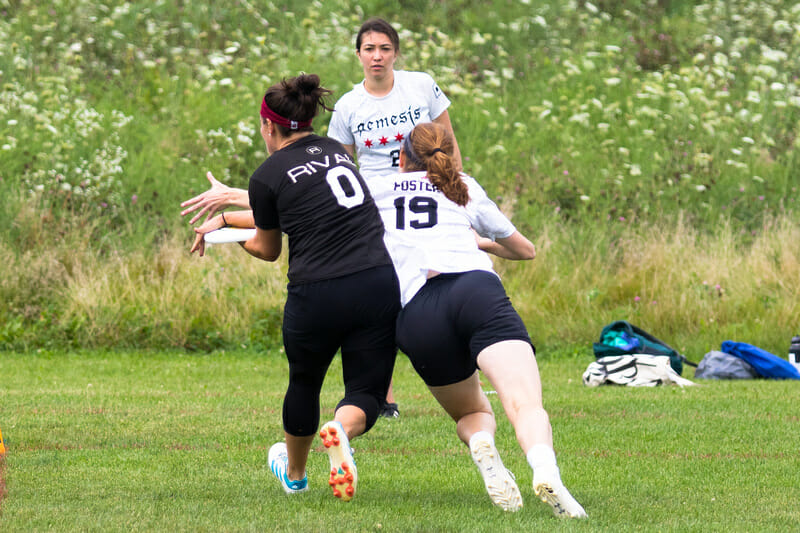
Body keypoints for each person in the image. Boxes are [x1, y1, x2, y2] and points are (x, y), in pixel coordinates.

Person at [183, 74, 401, 502]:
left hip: (316, 293)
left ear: (269, 127)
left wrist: (228, 235)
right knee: (367, 392)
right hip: (376, 281)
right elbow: (302, 208)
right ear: (303, 119)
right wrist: (227, 218)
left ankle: (296, 476)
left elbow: (267, 247)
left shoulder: (266, 175)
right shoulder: (336, 153)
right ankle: (341, 430)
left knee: (304, 384)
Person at [367, 122, 587, 518]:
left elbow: (305, 201)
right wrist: (482, 242)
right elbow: (525, 250)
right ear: (447, 154)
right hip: (475, 291)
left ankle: (482, 444)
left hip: (417, 312)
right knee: (524, 404)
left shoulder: (377, 188)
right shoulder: (462, 185)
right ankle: (546, 471)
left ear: (400, 159)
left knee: (472, 413)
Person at [328, 16, 464, 417]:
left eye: (384, 48)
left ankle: (456, 378)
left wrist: (457, 195)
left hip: (427, 198)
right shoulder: (349, 105)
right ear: (358, 55)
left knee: (440, 282)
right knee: (384, 295)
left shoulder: (420, 85)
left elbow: (449, 144)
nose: (377, 56)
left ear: (396, 53)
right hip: (378, 212)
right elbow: (341, 165)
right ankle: (381, 395)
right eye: (369, 49)